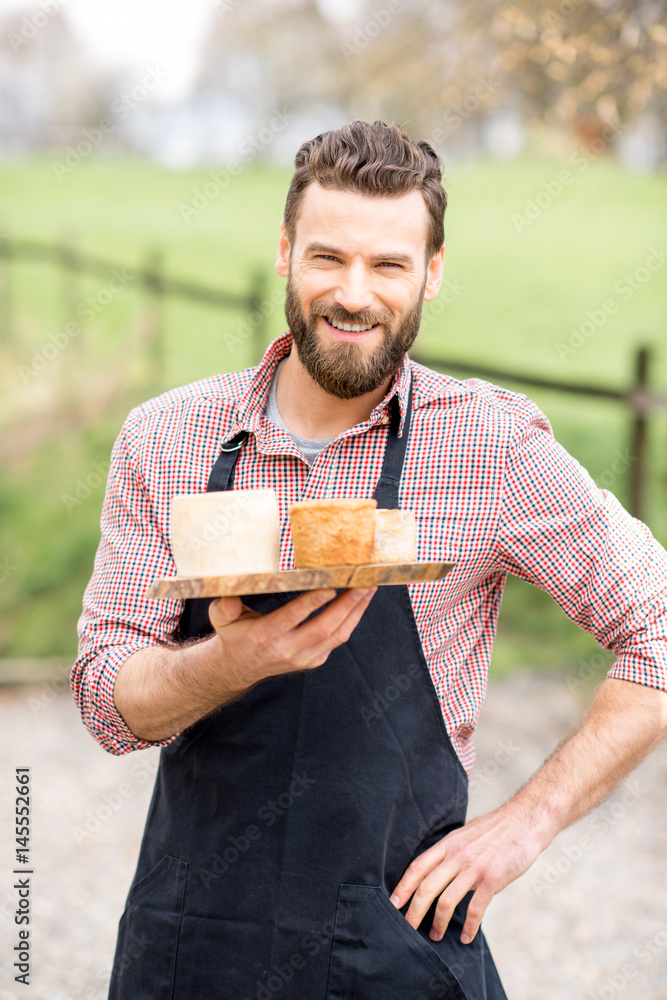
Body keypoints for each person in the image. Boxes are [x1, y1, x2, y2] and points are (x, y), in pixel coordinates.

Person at [72, 119, 667, 1000]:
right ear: (283, 252)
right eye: (327, 258)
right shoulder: (168, 438)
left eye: (388, 265)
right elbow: (102, 700)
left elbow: (656, 627)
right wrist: (228, 662)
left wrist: (524, 824)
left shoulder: (489, 446)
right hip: (190, 953)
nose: (354, 295)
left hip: (392, 960)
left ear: (430, 273)